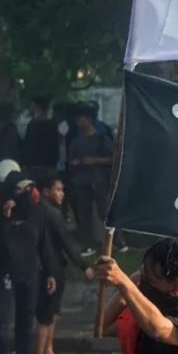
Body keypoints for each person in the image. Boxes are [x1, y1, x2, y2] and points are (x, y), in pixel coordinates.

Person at [0, 173, 59, 354]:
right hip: (5, 269)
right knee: (0, 319)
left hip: (30, 270)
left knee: (26, 319)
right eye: (18, 190)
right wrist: (4, 217)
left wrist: (50, 272)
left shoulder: (36, 211)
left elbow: (44, 242)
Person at [32, 174, 94, 354]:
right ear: (46, 191)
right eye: (57, 190)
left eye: (62, 190)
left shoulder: (43, 211)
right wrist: (84, 265)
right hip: (51, 269)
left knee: (52, 313)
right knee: (46, 315)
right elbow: (66, 242)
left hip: (51, 267)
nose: (61, 194)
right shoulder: (51, 213)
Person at [67, 104, 119, 254]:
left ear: (89, 119)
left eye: (81, 118)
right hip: (80, 180)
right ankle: (87, 243)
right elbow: (71, 159)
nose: (78, 121)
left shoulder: (101, 139)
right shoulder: (76, 140)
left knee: (105, 211)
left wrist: (93, 161)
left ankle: (117, 241)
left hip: (98, 180)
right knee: (83, 214)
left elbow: (112, 158)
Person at [20, 96, 61, 179]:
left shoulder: (33, 125)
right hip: (46, 164)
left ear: (38, 107)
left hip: (39, 165)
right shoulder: (53, 124)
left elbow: (28, 145)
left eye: (33, 106)